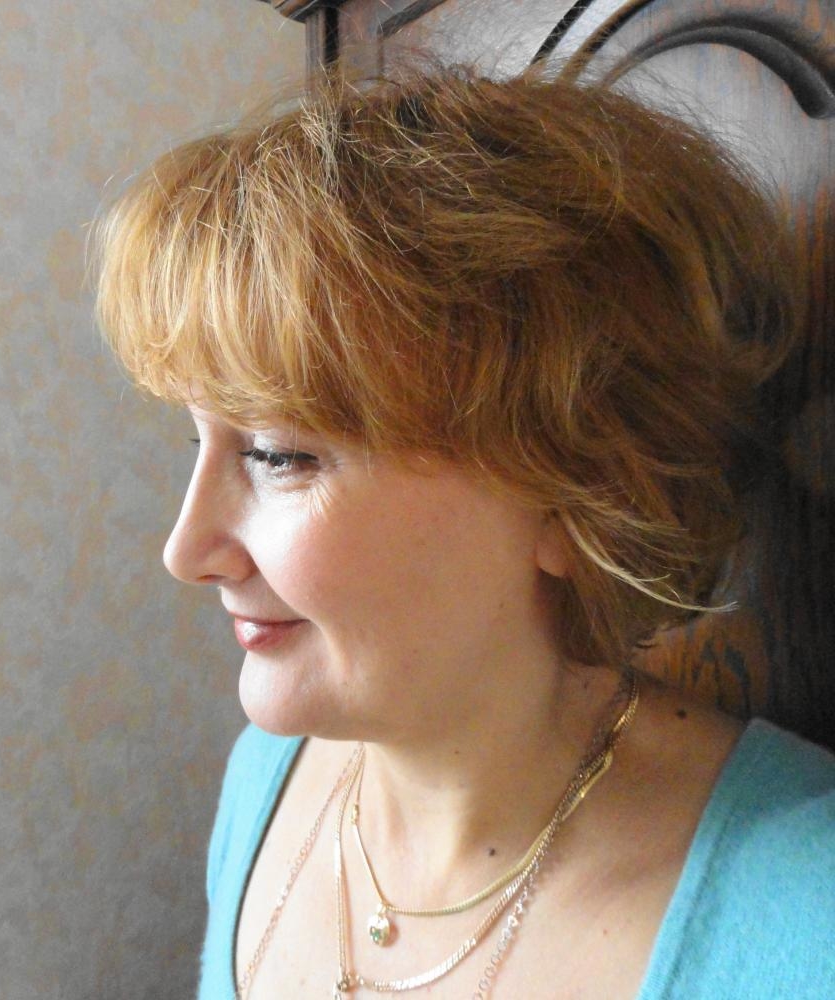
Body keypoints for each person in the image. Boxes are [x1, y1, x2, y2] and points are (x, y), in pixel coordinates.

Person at [93, 67, 835, 999]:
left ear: (583, 488)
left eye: (278, 455)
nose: (185, 550)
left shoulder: (803, 917)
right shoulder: (266, 781)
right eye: (196, 439)